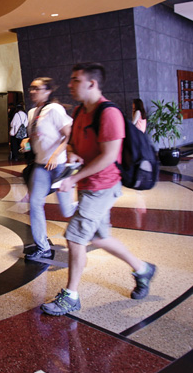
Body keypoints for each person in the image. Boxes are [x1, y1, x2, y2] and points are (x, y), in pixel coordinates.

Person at [41, 63, 156, 316]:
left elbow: (109, 156)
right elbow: (73, 144)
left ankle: (70, 296)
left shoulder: (109, 113)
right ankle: (143, 269)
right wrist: (73, 156)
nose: (70, 84)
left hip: (103, 186)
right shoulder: (82, 111)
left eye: (75, 80)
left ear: (91, 83)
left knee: (74, 237)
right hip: (88, 185)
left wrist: (74, 178)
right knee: (99, 237)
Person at [20, 77, 77, 261]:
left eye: (37, 88)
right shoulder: (31, 113)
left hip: (58, 166)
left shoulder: (55, 109)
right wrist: (27, 142)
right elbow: (38, 136)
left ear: (47, 91)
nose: (32, 91)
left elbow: (68, 135)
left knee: (67, 211)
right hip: (40, 166)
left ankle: (88, 210)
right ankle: (42, 247)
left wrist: (55, 154)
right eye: (31, 88)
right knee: (35, 203)